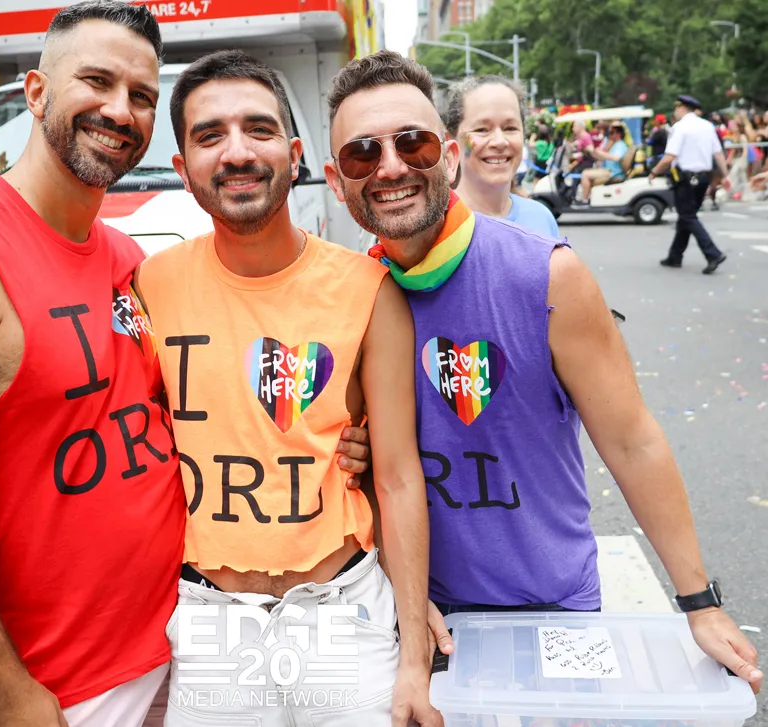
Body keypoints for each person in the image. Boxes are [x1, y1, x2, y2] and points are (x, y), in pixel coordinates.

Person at [0, 5, 369, 727]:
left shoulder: (128, 260)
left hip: (190, 636)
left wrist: (347, 437)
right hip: (69, 682)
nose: (119, 110)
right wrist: (2, 688)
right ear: (37, 92)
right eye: (96, 82)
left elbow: (190, 411)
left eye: (140, 95)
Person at [324, 50, 762, 695]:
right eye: (363, 154)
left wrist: (700, 602)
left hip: (553, 605)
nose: (390, 167)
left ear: (449, 157)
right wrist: (401, 593)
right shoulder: (349, 296)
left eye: (413, 144)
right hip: (422, 613)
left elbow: (632, 441)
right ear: (337, 182)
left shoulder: (547, 274)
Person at [137, 49, 437, 727]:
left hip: (341, 610)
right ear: (183, 169)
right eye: (210, 135)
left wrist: (414, 656)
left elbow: (397, 477)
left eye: (259, 129)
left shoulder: (369, 290)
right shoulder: (150, 284)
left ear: (295, 155)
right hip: (210, 618)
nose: (237, 152)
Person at [443, 75, 559, 237]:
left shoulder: (541, 218)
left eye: (510, 128)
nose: (499, 142)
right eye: (481, 130)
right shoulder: (434, 225)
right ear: (451, 143)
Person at [650, 94, 730, 274]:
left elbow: (669, 157)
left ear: (681, 108)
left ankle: (713, 253)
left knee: (687, 216)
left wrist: (654, 171)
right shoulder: (707, 126)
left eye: (676, 108)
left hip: (685, 179)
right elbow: (718, 153)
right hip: (703, 178)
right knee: (687, 216)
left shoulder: (679, 128)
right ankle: (675, 256)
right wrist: (725, 175)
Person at [578, 122, 629, 202]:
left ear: (618, 133)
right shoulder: (614, 145)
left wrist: (601, 153)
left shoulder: (620, 145)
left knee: (585, 174)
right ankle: (589, 199)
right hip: (608, 170)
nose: (610, 135)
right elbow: (604, 157)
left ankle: (584, 200)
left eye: (612, 132)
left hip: (613, 173)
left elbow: (616, 158)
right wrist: (593, 153)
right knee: (587, 174)